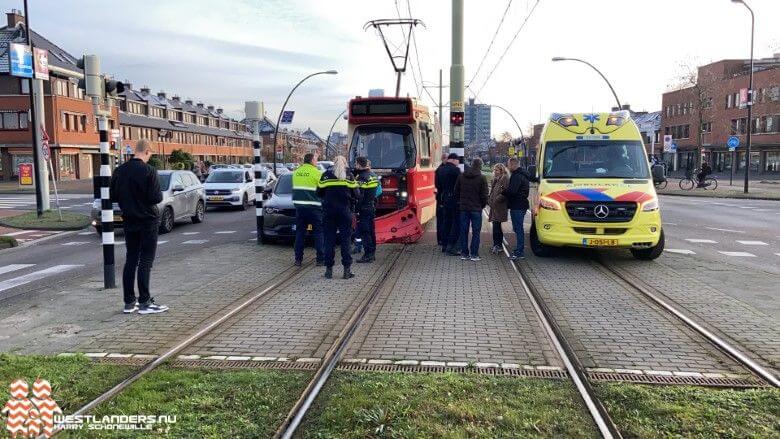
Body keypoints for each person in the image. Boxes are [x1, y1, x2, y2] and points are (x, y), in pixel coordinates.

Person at [110, 139, 169, 314]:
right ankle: (145, 302)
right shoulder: (149, 171)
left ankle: (129, 302)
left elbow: (113, 196)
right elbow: (155, 198)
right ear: (147, 152)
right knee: (146, 260)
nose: (150, 158)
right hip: (147, 221)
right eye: (150, 154)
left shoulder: (119, 171)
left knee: (131, 259)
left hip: (129, 221)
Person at [317, 156, 359, 279]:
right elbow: (356, 194)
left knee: (329, 241)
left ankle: (328, 271)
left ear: (333, 163)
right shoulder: (349, 175)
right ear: (345, 163)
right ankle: (346, 271)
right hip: (345, 212)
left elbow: (319, 193)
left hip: (328, 212)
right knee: (345, 241)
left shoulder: (325, 175)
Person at [292, 153, 325, 266]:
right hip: (314, 208)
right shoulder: (317, 173)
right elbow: (322, 191)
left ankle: (298, 259)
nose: (317, 161)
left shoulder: (296, 172)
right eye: (316, 159)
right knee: (318, 233)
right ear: (311, 160)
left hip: (300, 208)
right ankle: (320, 259)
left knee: (300, 233)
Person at [454, 157, 488, 261]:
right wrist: (481, 205)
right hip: (476, 208)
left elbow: (456, 191)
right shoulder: (482, 178)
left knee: (463, 231)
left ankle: (464, 253)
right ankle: (474, 254)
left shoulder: (461, 176)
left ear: (471, 164)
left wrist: (460, 202)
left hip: (464, 208)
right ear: (480, 165)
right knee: (476, 232)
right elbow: (484, 194)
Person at [503, 157, 531, 261]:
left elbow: (512, 191)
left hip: (517, 205)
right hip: (521, 205)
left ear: (513, 165)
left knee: (518, 229)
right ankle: (519, 250)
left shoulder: (516, 176)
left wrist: (504, 191)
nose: (508, 167)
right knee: (517, 228)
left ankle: (519, 252)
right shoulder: (523, 174)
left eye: (508, 165)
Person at [354, 156, 379, 263]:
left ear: (359, 164)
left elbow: (360, 196)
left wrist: (356, 210)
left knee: (365, 232)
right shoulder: (373, 175)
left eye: (356, 164)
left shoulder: (361, 177)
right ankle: (372, 252)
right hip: (371, 206)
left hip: (363, 208)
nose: (355, 166)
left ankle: (367, 254)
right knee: (371, 231)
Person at [437, 153, 462, 255]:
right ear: (453, 160)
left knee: (446, 222)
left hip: (444, 198)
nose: (458, 163)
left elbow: (438, 186)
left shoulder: (440, 170)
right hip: (455, 199)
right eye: (458, 161)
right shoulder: (455, 170)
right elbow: (460, 185)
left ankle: (444, 245)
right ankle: (452, 247)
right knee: (456, 223)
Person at [488, 163, 509, 254]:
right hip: (495, 206)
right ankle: (496, 244)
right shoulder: (496, 179)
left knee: (496, 226)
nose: (495, 172)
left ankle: (498, 245)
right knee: (496, 226)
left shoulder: (504, 178)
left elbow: (505, 192)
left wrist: (496, 199)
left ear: (501, 170)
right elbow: (493, 191)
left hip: (499, 206)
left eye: (496, 170)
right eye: (494, 170)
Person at [434, 153, 449, 246]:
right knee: (443, 219)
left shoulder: (438, 170)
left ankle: (440, 240)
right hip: (443, 198)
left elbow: (437, 185)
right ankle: (443, 240)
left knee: (440, 220)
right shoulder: (443, 170)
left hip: (440, 197)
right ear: (444, 159)